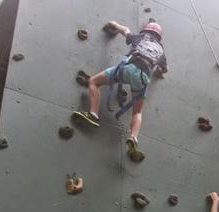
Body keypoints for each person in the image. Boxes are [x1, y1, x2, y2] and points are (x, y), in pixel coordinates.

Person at [72, 21, 168, 162]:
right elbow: (164, 69)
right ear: (159, 36)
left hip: (127, 69)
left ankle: (93, 113)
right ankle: (133, 138)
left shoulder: (139, 37)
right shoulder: (160, 50)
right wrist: (159, 71)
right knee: (137, 112)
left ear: (145, 31)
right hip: (142, 78)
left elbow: (125, 30)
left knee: (93, 82)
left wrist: (114, 24)